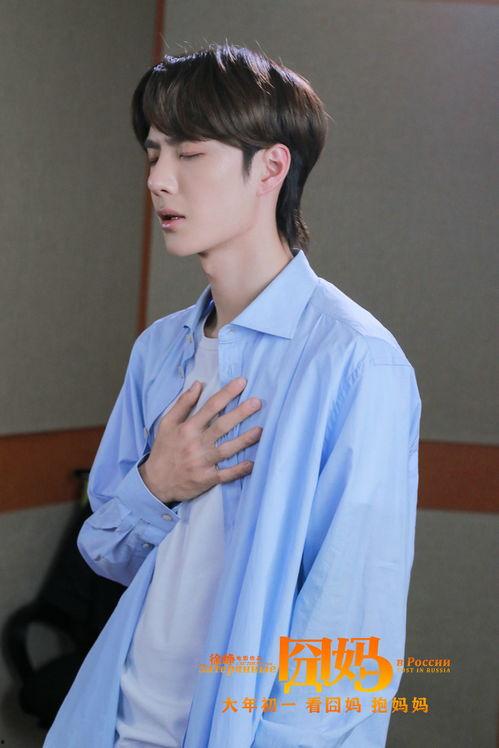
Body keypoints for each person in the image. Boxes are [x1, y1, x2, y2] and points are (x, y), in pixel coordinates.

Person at [43, 42, 422, 748]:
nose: (158, 179)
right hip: (111, 722)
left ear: (271, 168)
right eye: (153, 153)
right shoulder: (159, 350)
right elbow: (107, 552)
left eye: (189, 153)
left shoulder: (354, 361)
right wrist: (156, 483)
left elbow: (348, 624)